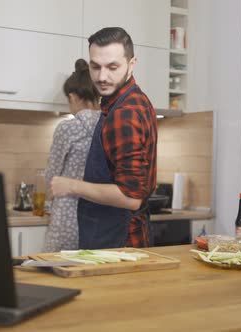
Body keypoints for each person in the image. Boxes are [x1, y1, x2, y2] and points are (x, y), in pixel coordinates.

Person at [50, 27, 158, 249]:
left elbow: (130, 197)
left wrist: (71, 186)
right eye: (95, 66)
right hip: (117, 239)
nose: (102, 77)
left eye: (112, 67)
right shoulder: (128, 100)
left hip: (119, 243)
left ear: (132, 63)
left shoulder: (124, 113)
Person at [42, 59, 101, 252]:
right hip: (100, 215)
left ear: (73, 96)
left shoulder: (68, 128)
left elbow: (52, 175)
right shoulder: (109, 126)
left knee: (56, 273)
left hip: (68, 215)